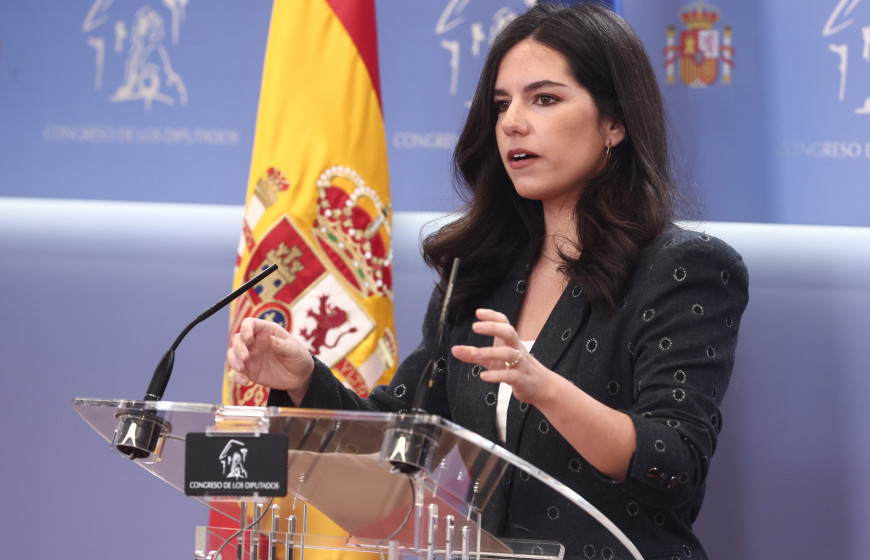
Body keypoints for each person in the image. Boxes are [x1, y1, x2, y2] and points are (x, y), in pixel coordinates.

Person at [227, 3, 749, 559]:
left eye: (544, 99)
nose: (512, 122)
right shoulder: (479, 271)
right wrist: (305, 379)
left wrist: (545, 388)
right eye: (502, 104)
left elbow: (673, 462)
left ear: (614, 123)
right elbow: (402, 428)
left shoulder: (683, 269)